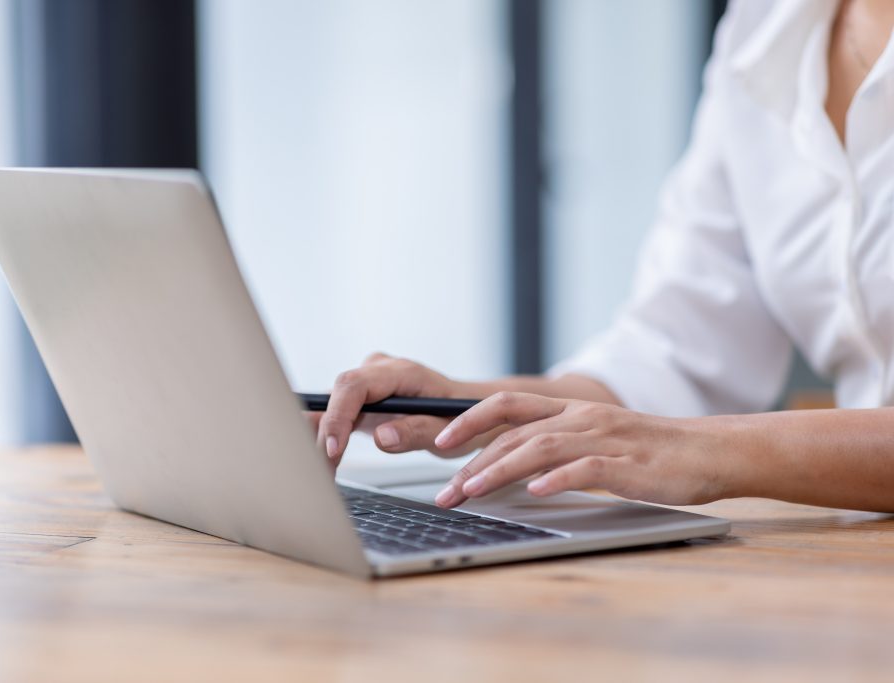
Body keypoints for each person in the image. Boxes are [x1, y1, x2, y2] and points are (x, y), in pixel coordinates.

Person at [312, 0, 894, 513]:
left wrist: (709, 452)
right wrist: (467, 407)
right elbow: (675, 358)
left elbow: (677, 435)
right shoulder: (765, 27)